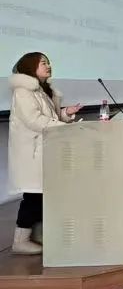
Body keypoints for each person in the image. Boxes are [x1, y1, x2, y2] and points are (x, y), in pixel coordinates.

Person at [8, 52, 81, 254]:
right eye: (43, 63)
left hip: (45, 150)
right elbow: (34, 120)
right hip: (31, 153)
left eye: (48, 62)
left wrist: (66, 114)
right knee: (33, 197)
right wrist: (63, 127)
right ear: (30, 66)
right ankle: (20, 241)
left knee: (44, 196)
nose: (48, 66)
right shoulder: (23, 91)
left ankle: (37, 235)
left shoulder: (43, 90)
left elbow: (51, 117)